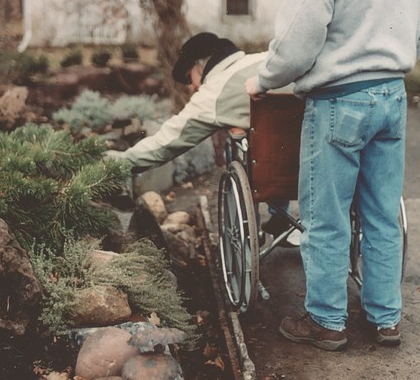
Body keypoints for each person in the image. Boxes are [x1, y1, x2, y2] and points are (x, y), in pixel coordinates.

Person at [246, 0, 420, 350]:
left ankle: (327, 322)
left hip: (338, 104)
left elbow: (293, 49)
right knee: (380, 215)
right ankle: (385, 318)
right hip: (391, 97)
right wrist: (394, 59)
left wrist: (263, 80)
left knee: (325, 218)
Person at [106, 31, 292, 240]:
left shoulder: (213, 93)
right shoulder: (268, 59)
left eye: (189, 78)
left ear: (199, 66)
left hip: (271, 173)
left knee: (242, 146)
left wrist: (115, 162)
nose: (193, 87)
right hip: (311, 165)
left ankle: (256, 229)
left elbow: (165, 144)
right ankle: (281, 217)